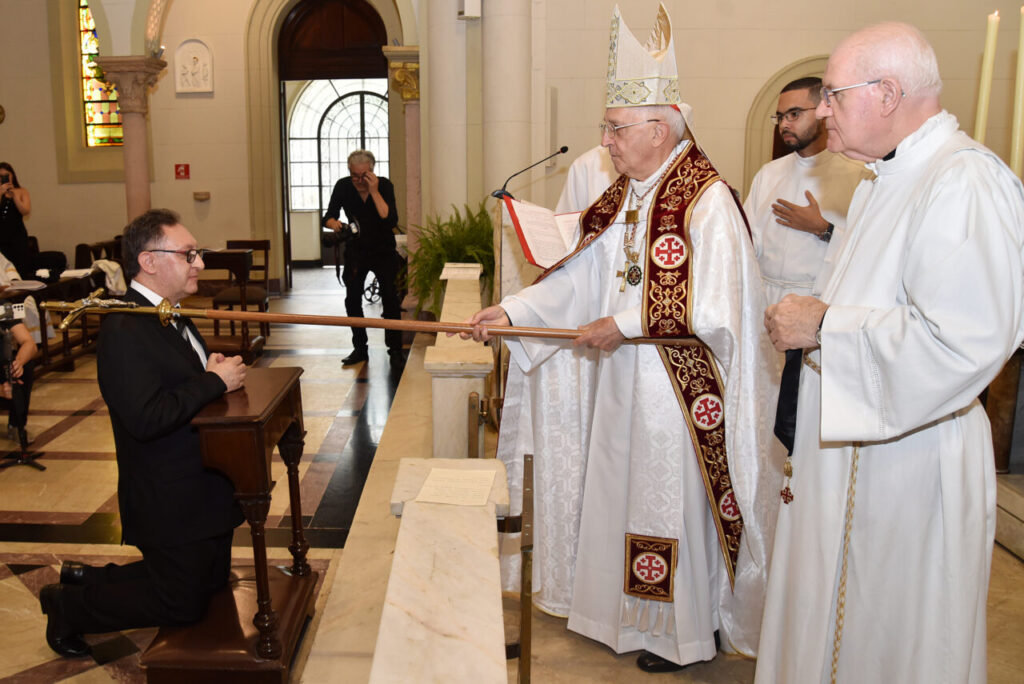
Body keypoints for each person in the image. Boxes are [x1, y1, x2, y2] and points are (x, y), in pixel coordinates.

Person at [467, 3, 783, 673]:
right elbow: (580, 275)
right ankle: (625, 615)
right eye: (607, 129)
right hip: (623, 381)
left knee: (665, 503)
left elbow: (725, 305)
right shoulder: (631, 194)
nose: (605, 141)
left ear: (660, 127)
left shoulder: (705, 200)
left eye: (615, 129)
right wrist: (513, 310)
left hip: (675, 390)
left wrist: (629, 324)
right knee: (622, 491)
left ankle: (679, 633)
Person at [756, 23, 1024, 684]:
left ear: (887, 93)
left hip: (907, 465)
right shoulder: (882, 179)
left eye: (834, 96)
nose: (821, 111)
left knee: (888, 636)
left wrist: (823, 327)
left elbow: (967, 341)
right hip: (856, 455)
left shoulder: (964, 181)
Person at [36, 208, 247, 658]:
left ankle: (88, 576)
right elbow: (145, 417)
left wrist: (206, 372)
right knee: (182, 602)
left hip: (203, 482)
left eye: (199, 253)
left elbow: (181, 382)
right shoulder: (125, 328)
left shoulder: (170, 316)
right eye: (189, 254)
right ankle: (71, 606)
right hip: (166, 493)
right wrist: (213, 381)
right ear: (149, 262)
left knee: (210, 582)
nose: (200, 263)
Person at [743, 78, 871, 307]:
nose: (784, 124)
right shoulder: (768, 174)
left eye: (794, 114)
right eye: (780, 117)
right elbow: (746, 242)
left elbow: (872, 250)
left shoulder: (859, 175)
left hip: (821, 302)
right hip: (765, 301)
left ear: (823, 111)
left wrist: (824, 229)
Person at [322, 150, 403, 368]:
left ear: (372, 172)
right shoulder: (343, 186)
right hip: (357, 251)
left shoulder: (384, 185)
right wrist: (335, 224)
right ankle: (360, 348)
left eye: (363, 175)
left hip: (383, 250)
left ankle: (395, 349)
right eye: (354, 175)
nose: (358, 181)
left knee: (391, 300)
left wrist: (374, 190)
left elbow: (390, 218)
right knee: (352, 300)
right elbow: (328, 216)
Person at [0, 162, 33, 279]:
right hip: (1, 237)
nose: (4, 177)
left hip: (17, 237)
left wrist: (14, 196)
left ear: (12, 175)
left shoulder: (22, 191)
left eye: (7, 174)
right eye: (1, 176)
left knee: (20, 268)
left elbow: (25, 211)